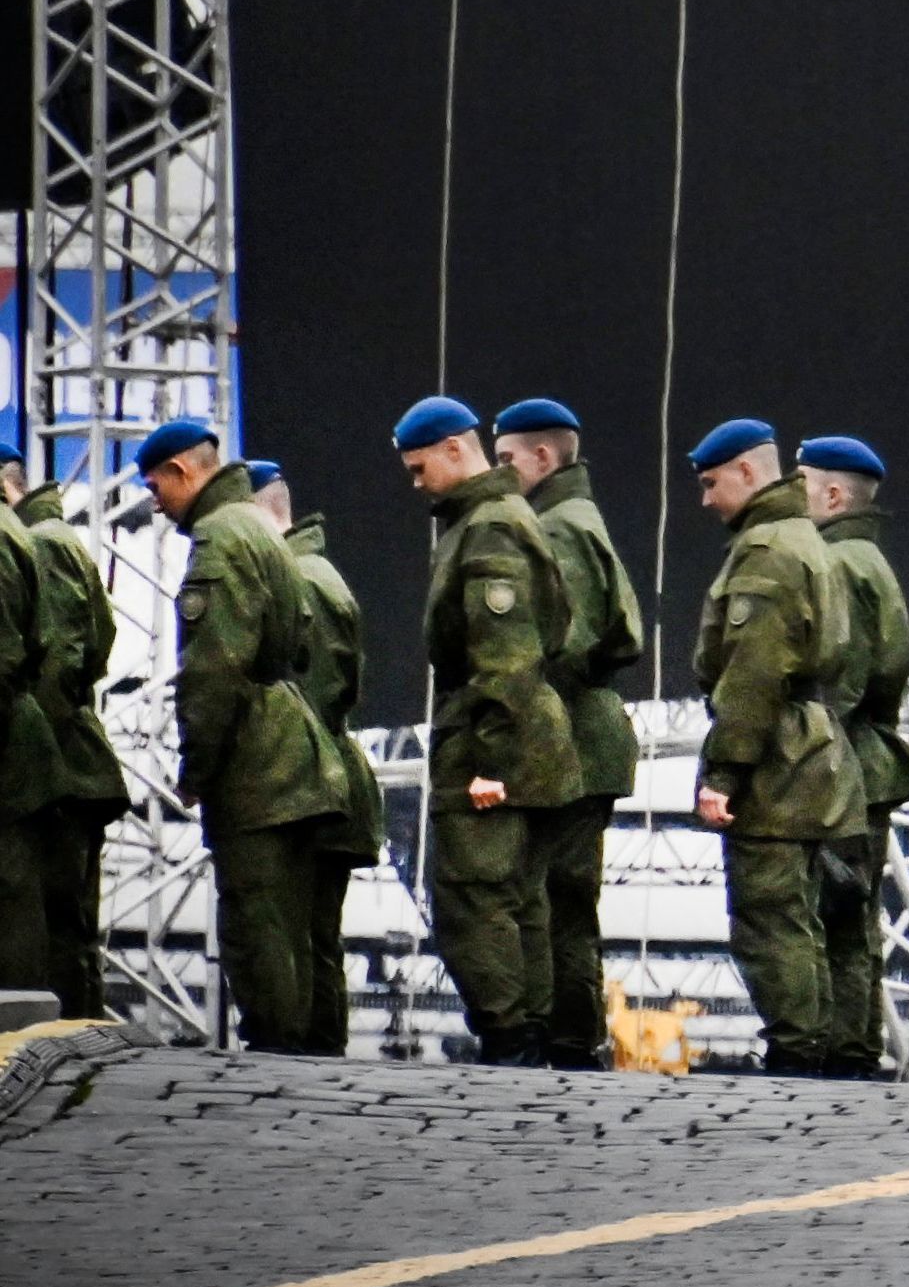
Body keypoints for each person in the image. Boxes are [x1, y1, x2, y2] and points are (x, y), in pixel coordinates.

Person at [141, 421, 364, 1054]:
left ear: (185, 472)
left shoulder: (220, 536)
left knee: (257, 924)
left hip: (255, 760)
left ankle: (275, 1063)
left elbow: (213, 670)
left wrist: (196, 767)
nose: (154, 500)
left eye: (156, 483)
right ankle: (301, 1058)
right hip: (287, 747)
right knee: (292, 928)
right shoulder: (257, 529)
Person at [397, 397, 590, 1063]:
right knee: (520, 902)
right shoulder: (505, 517)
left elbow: (503, 656)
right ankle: (528, 1041)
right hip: (525, 742)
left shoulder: (486, 529)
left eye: (421, 467)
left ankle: (511, 1042)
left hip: (492, 743)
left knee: (473, 900)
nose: (416, 482)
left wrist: (490, 760)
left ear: (455, 448)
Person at [681, 421, 872, 1074]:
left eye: (711, 483)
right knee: (811, 921)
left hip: (778, 761)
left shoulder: (766, 549)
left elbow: (754, 669)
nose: (707, 500)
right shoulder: (806, 540)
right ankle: (824, 1054)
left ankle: (797, 1054)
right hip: (816, 747)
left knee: (771, 917)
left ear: (746, 472)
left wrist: (724, 772)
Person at [490, 400, 645, 1070]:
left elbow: (558, 641)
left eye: (506, 459)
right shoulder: (573, 519)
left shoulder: (557, 527)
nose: (498, 474)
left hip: (572, 738)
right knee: (566, 903)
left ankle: (565, 1042)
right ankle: (570, 1040)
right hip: (585, 736)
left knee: (553, 901)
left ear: (544, 457)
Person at [244, 460, 388, 1047]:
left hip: (307, 776)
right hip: (320, 773)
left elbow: (319, 692)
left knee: (300, 938)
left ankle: (307, 1064)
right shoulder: (312, 571)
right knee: (314, 941)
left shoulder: (299, 579)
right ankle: (316, 1062)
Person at [796, 437, 909, 1073]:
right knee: (856, 915)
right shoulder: (869, 558)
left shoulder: (837, 562)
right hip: (866, 758)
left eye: (802, 482)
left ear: (834, 495)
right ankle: (854, 1047)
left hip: (838, 764)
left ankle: (839, 1050)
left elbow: (838, 679)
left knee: (831, 916)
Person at [2, 422, 133, 1020]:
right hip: (66, 761)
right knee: (65, 923)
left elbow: (55, 657)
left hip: (55, 761)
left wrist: (41, 744)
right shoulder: (55, 536)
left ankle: (55, 1046)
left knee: (44, 917)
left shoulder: (41, 540)